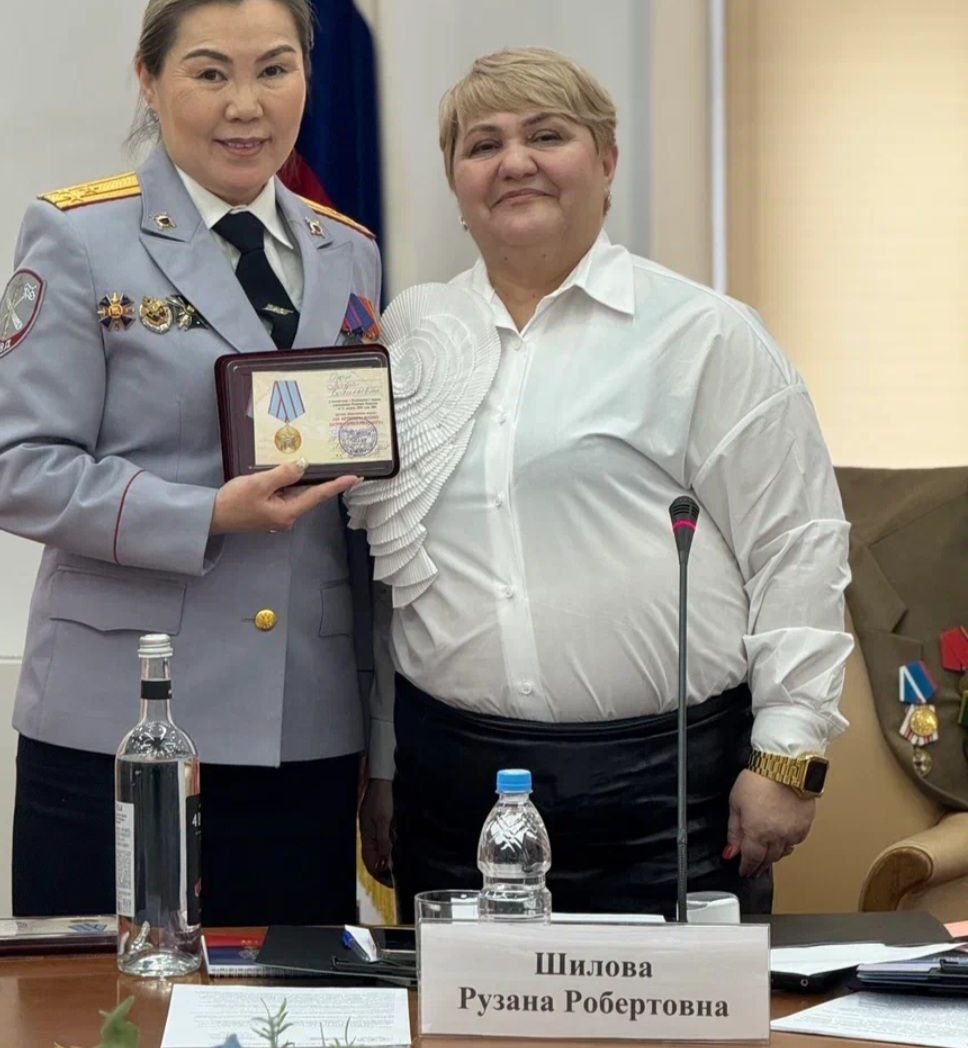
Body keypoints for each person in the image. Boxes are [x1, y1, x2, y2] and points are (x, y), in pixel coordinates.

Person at [354, 46, 852, 919]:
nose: (515, 162)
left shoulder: (703, 335)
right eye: (483, 144)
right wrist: (385, 767)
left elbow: (796, 546)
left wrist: (787, 753)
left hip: (666, 793)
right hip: (453, 789)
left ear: (608, 160)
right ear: (456, 182)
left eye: (548, 136)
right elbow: (388, 582)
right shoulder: (405, 344)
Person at [0, 0, 382, 925]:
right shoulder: (79, 236)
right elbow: (12, 470)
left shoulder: (349, 250)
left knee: (290, 997)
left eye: (274, 68)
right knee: (107, 999)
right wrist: (205, 513)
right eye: (210, 72)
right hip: (123, 720)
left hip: (304, 728)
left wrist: (383, 742)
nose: (246, 104)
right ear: (150, 82)